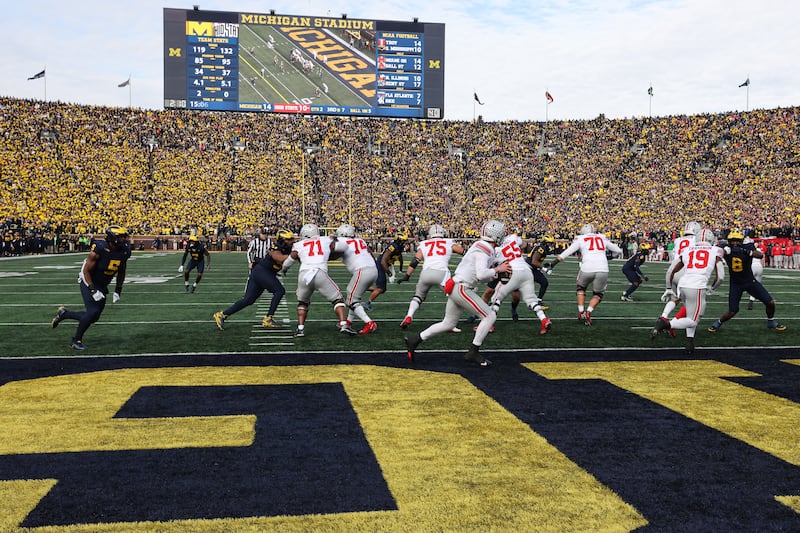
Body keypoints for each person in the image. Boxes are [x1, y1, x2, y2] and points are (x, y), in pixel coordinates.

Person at [404, 219, 512, 367]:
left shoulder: (483, 247)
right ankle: (473, 351)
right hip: (462, 288)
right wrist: (498, 270)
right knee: (490, 315)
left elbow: (479, 276)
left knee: (448, 323)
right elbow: (481, 275)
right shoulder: (484, 248)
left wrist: (495, 273)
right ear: (497, 235)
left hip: (456, 286)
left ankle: (415, 339)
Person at [50, 226, 131, 350]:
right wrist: (92, 289)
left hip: (102, 284)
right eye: (120, 236)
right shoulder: (100, 248)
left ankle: (64, 314)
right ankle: (76, 340)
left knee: (93, 317)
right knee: (92, 312)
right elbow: (86, 270)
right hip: (88, 280)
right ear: (112, 238)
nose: (124, 239)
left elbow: (122, 271)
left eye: (124, 236)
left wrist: (118, 290)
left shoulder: (124, 251)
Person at [651, 229, 725, 354]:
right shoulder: (716, 251)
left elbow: (672, 271)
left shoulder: (688, 250)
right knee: (693, 320)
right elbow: (721, 277)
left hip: (683, 284)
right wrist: (712, 288)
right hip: (696, 287)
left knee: (690, 314)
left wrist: (669, 287)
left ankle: (690, 342)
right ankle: (665, 324)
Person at [281, 223, 357, 337]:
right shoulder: (326, 240)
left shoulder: (298, 244)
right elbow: (342, 247)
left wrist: (284, 269)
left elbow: (288, 261)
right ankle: (344, 325)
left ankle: (300, 329)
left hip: (304, 274)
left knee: (303, 302)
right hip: (319, 272)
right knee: (337, 299)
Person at [707, 230, 786, 333]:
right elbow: (714, 253)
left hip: (749, 281)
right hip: (736, 283)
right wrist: (724, 251)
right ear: (729, 241)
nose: (735, 243)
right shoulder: (725, 247)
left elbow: (760, 255)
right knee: (732, 311)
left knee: (770, 302)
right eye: (733, 241)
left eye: (737, 241)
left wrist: (746, 252)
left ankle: (771, 321)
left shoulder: (748, 247)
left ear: (742, 241)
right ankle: (718, 322)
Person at [214, 230, 294, 331]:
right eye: (288, 239)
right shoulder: (276, 248)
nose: (291, 241)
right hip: (262, 272)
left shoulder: (288, 247)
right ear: (282, 240)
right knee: (279, 290)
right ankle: (269, 318)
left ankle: (222, 315)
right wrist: (294, 256)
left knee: (248, 300)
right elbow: (279, 257)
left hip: (260, 273)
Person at [548, 223, 623, 325]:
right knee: (598, 294)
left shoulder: (580, 239)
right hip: (603, 268)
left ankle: (581, 311)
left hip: (587, 267)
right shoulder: (602, 238)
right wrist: (610, 257)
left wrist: (553, 263)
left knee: (581, 288)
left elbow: (566, 253)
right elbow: (618, 250)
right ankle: (588, 312)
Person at [398, 224, 465, 329]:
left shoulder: (424, 243)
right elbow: (463, 252)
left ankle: (409, 315)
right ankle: (450, 324)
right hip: (442, 273)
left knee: (418, 296)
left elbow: (415, 261)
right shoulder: (448, 242)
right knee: (454, 297)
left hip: (426, 273)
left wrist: (407, 275)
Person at [490, 233, 552, 334]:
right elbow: (524, 245)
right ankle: (544, 319)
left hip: (513, 271)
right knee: (532, 300)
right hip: (527, 271)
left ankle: (489, 325)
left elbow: (491, 268)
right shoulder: (512, 238)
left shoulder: (496, 250)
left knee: (496, 298)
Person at [332, 224, 379, 334]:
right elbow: (370, 253)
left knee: (351, 300)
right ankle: (348, 321)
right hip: (373, 269)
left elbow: (333, 254)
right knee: (354, 297)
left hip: (362, 270)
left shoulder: (342, 241)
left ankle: (369, 322)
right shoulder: (360, 240)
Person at [363, 232, 407, 310]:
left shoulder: (398, 248)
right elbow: (383, 261)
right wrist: (388, 272)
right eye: (403, 241)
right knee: (380, 288)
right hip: (380, 265)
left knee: (382, 289)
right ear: (398, 240)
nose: (404, 243)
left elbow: (394, 259)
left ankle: (362, 288)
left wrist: (392, 270)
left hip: (383, 265)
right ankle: (367, 303)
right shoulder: (393, 247)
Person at [524, 235, 555, 311]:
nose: (550, 245)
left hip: (531, 268)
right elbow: (534, 261)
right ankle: (537, 302)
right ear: (545, 243)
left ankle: (536, 302)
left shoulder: (542, 247)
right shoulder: (541, 248)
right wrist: (545, 269)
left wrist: (544, 265)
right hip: (529, 268)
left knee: (541, 283)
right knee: (544, 282)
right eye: (549, 243)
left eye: (551, 243)